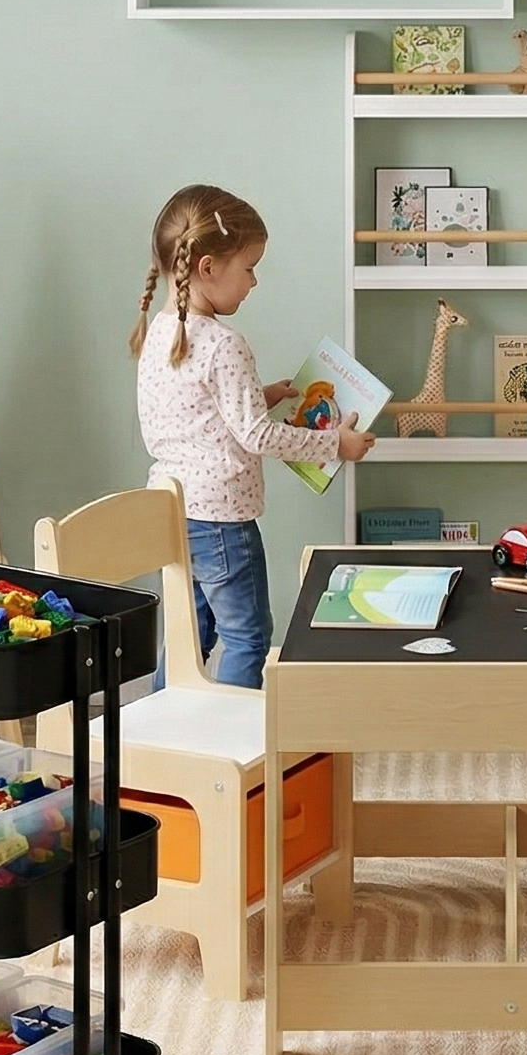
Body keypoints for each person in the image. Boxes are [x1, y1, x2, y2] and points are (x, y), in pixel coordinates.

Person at [131, 184, 373, 688]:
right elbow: (257, 437)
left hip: (173, 511)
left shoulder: (163, 330)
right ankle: (233, 743)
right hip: (221, 521)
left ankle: (164, 737)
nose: (255, 281)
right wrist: (336, 445)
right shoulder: (224, 344)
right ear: (208, 268)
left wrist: (260, 393)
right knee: (247, 636)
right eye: (249, 268)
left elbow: (194, 413)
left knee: (186, 635)